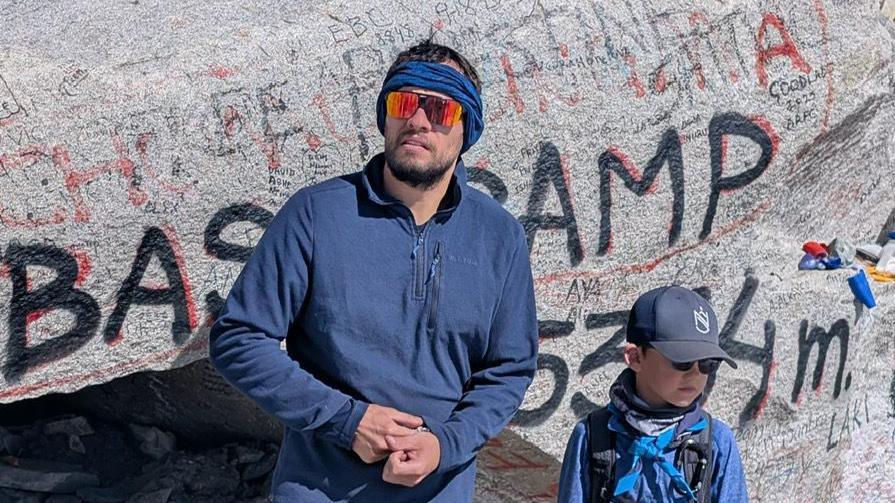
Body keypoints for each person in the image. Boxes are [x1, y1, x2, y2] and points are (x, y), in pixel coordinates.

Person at [209, 40, 539, 502]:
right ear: (385, 114)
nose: (418, 121)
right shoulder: (316, 215)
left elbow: (509, 369)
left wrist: (444, 445)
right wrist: (346, 420)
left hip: (437, 491)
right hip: (317, 488)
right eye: (404, 102)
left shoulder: (499, 238)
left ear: (467, 129)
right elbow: (238, 337)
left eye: (440, 110)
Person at [557, 285, 748, 502]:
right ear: (635, 357)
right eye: (682, 361)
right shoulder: (593, 436)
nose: (696, 374)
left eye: (708, 363)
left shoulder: (716, 442)